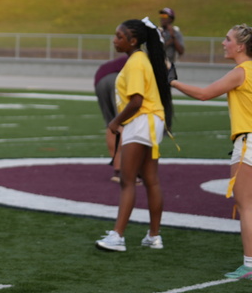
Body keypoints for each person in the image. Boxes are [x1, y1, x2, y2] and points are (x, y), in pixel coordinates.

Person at [170, 24, 252, 277]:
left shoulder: (241, 72)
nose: (223, 43)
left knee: (246, 206)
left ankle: (250, 265)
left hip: (248, 143)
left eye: (228, 39)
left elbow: (204, 94)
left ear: (240, 46)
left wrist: (172, 81)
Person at [96, 18, 173, 252]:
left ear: (133, 41)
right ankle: (154, 236)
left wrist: (115, 121)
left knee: (127, 180)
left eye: (119, 36)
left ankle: (118, 236)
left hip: (141, 121)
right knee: (151, 180)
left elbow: (137, 101)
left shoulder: (136, 62)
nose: (114, 40)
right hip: (150, 121)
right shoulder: (139, 60)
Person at [94, 55, 129, 182]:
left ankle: (117, 170)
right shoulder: (143, 58)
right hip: (117, 80)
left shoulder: (130, 56)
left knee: (111, 124)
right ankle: (128, 170)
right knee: (123, 123)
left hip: (100, 79)